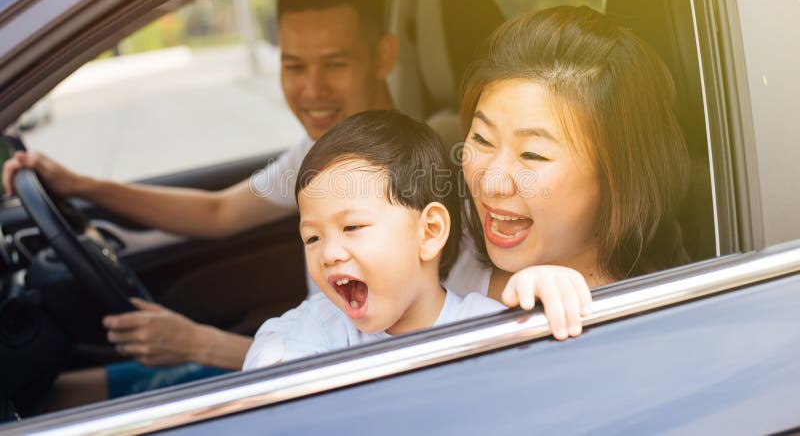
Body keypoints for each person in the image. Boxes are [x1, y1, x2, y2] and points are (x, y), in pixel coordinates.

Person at [1, 0, 399, 403]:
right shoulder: (322, 153)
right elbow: (219, 212)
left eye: (335, 63)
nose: (312, 90)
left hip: (331, 394)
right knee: (50, 398)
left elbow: (371, 363)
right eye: (294, 66)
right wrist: (80, 186)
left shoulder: (409, 185)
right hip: (297, 357)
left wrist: (198, 343)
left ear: (383, 56)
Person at [244, 110, 593, 369]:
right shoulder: (319, 328)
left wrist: (551, 290)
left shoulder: (484, 325)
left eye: (352, 228)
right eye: (312, 237)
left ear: (429, 232)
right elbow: (274, 347)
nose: (329, 253)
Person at [442, 5, 691, 332]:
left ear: (616, 174)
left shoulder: (631, 323)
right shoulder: (443, 239)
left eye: (532, 155)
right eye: (482, 139)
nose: (492, 182)